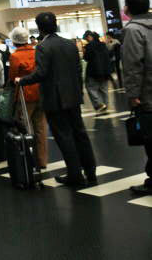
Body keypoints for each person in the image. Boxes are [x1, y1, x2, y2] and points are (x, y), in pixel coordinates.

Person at [16, 12, 97, 187]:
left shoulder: (43, 47)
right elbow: (77, 70)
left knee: (64, 136)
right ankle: (91, 171)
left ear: (39, 27)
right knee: (80, 133)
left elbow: (41, 73)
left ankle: (75, 174)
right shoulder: (69, 44)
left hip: (54, 99)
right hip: (73, 96)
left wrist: (22, 80)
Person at [121, 0, 152, 194]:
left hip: (148, 94)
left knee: (150, 138)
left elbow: (133, 66)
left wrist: (133, 96)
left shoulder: (133, 30)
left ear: (128, 8)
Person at [8, 27, 48, 169]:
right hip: (41, 92)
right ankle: (41, 161)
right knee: (40, 128)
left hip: (24, 95)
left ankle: (27, 160)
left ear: (14, 40)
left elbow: (13, 77)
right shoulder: (37, 51)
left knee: (23, 128)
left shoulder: (15, 56)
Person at [83, 31, 110, 113]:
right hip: (105, 71)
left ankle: (99, 104)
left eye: (86, 38)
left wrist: (85, 51)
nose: (86, 40)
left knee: (91, 88)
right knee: (103, 89)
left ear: (89, 37)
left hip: (93, 71)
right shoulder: (103, 45)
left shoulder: (89, 46)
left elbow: (86, 58)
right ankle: (105, 105)